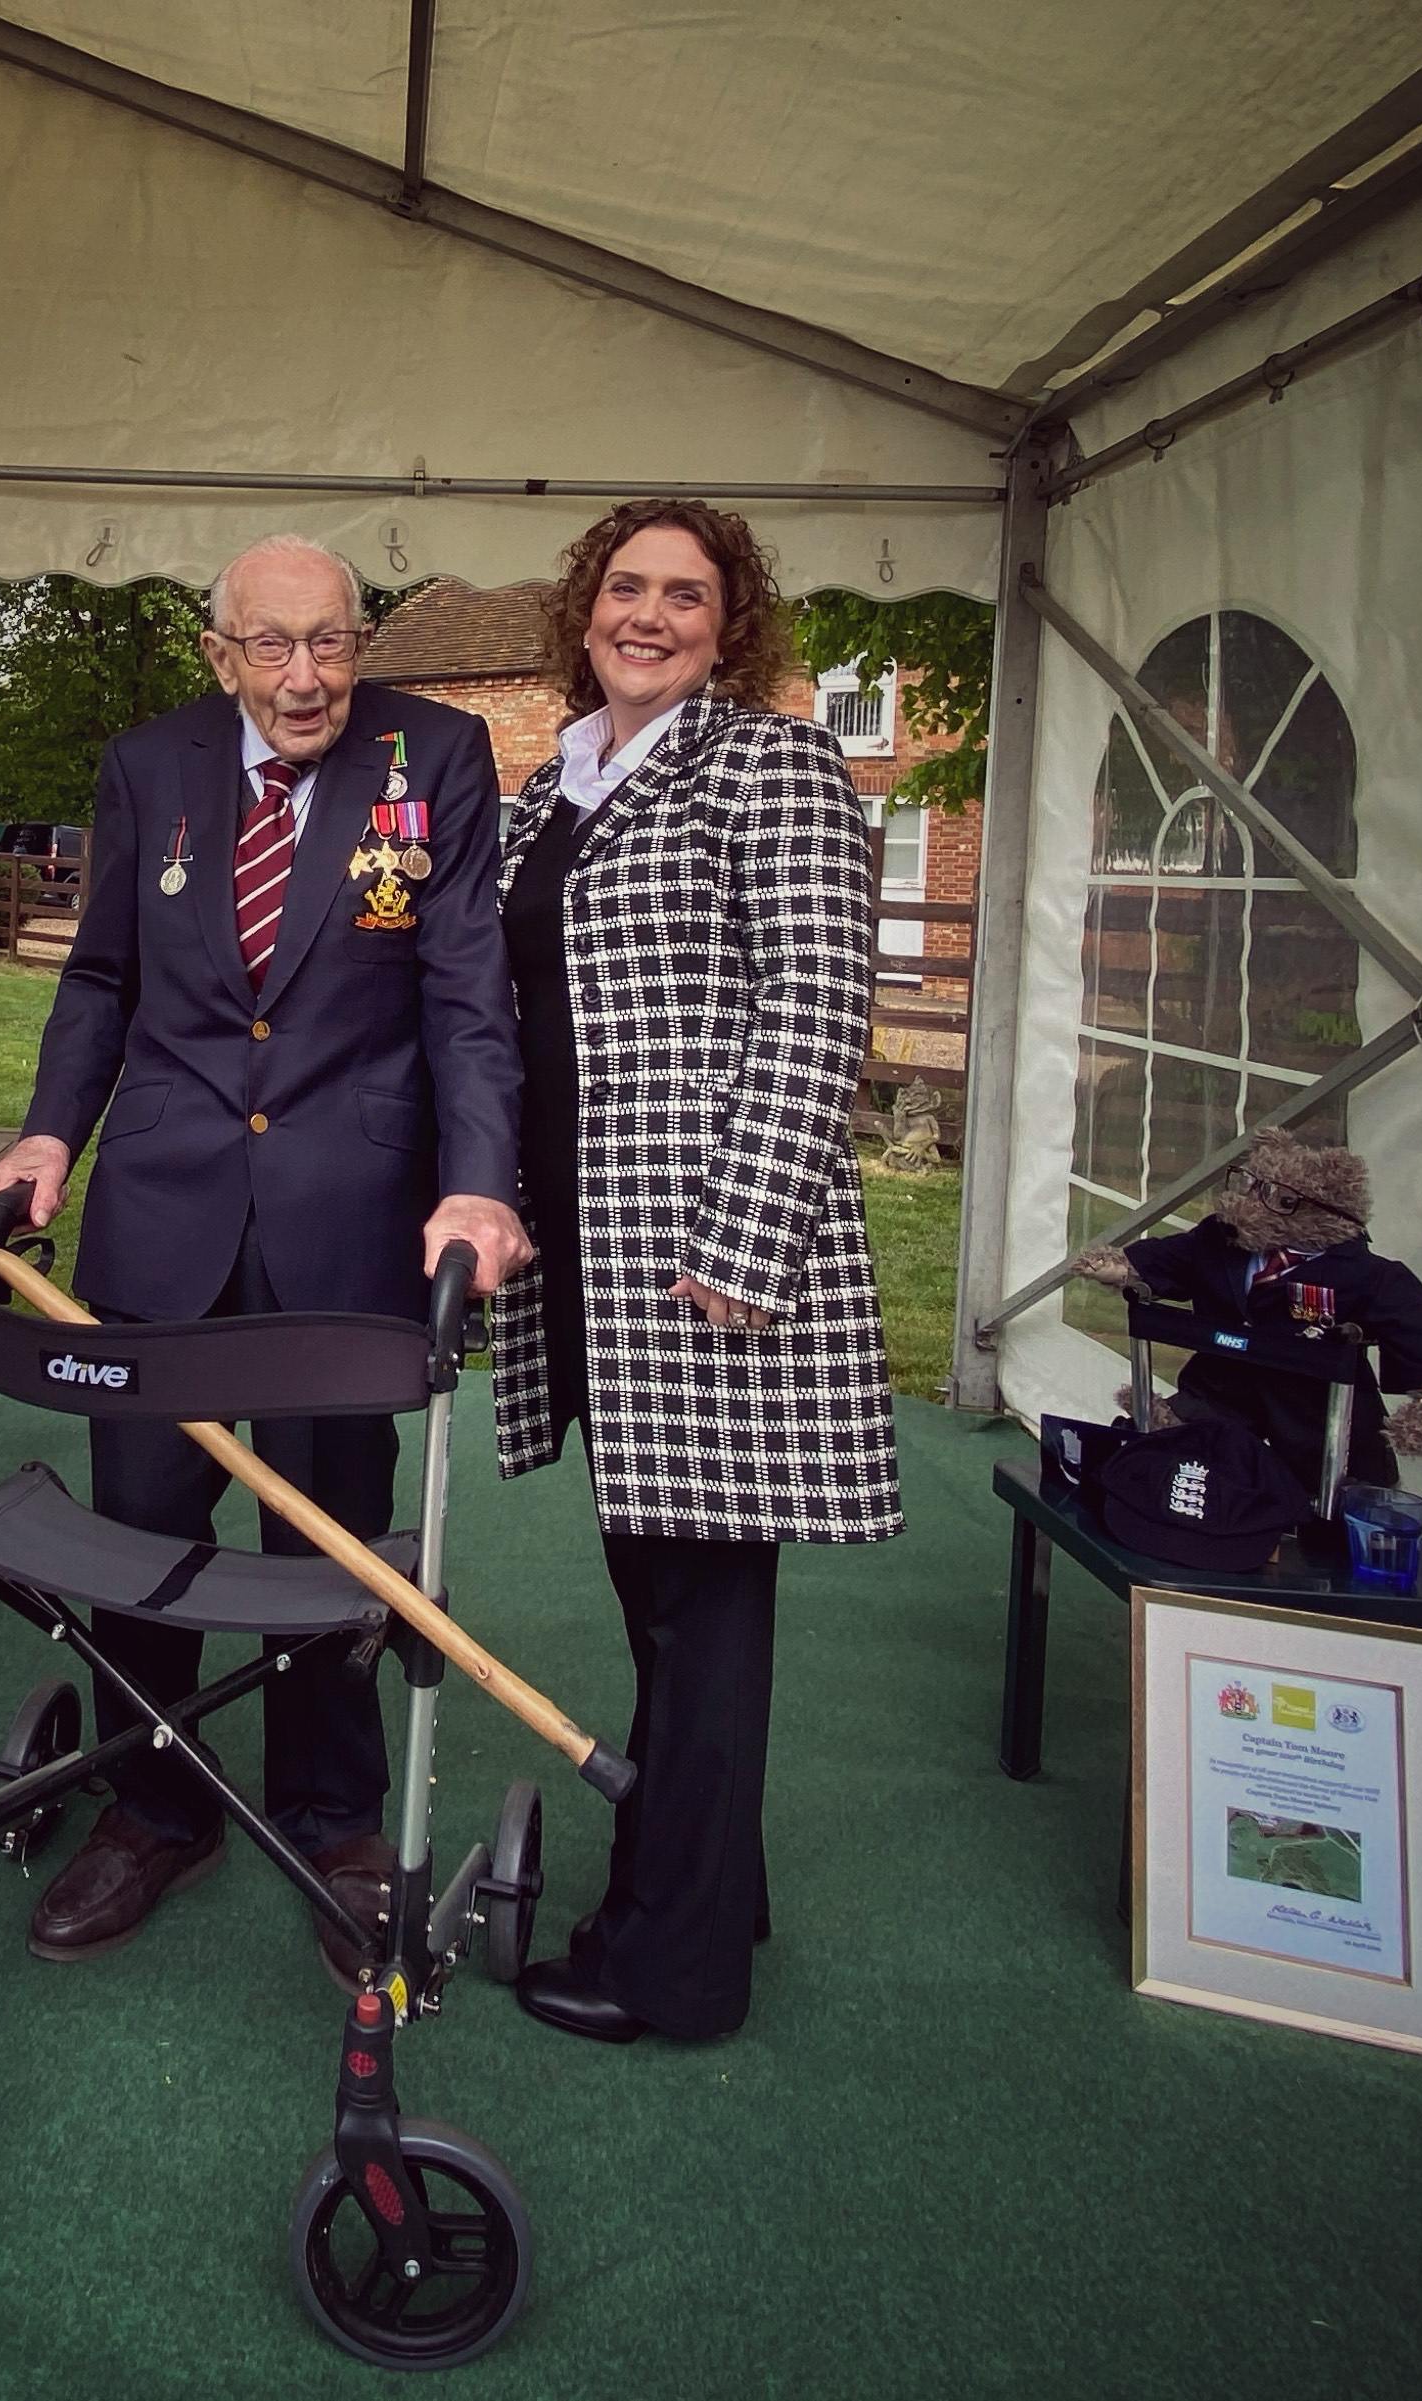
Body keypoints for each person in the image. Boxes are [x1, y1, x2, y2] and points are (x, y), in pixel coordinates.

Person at [0, 534, 530, 1984]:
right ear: (220, 651)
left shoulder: (439, 757)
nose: (307, 677)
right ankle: (153, 1803)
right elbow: (102, 975)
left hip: (346, 1209)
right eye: (274, 646)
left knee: (327, 1535)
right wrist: (50, 1133)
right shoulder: (147, 763)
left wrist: (477, 1184)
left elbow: (467, 986)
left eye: (333, 642)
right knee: (143, 1525)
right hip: (163, 1206)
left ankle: (330, 1815)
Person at [491, 498, 904, 2044]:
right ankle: (708, 1883)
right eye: (624, 587)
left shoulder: (768, 760)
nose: (648, 613)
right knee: (655, 1593)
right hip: (593, 1265)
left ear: (732, 625)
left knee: (704, 1618)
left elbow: (814, 1006)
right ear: (580, 610)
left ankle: (675, 1968)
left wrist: (743, 1241)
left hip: (708, 1263)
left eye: (685, 592)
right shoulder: (552, 789)